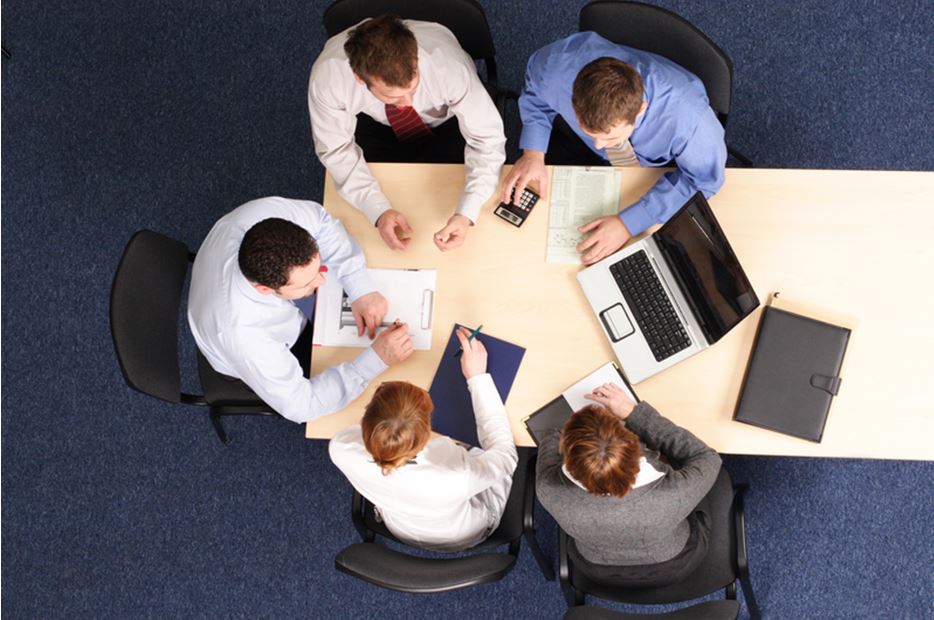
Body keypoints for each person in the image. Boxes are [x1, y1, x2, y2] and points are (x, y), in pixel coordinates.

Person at [502, 32, 727, 265]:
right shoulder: (556, 69)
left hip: (656, 165)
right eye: (591, 133)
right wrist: (533, 153)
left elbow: (704, 180)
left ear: (641, 109)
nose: (598, 145)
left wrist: (629, 223)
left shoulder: (689, 120)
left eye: (610, 137)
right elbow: (535, 93)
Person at [188, 196, 414, 424]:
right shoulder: (246, 337)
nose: (322, 281)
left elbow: (323, 224)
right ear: (265, 289)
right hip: (243, 356)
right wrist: (376, 359)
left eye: (317, 268)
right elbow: (302, 405)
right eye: (307, 283)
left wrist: (359, 286)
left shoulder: (263, 217)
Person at [308, 15, 506, 253]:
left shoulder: (449, 69)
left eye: (413, 88)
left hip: (446, 121)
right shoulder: (328, 80)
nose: (408, 103)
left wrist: (466, 212)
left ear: (416, 59)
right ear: (359, 78)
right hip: (375, 123)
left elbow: (487, 140)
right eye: (393, 96)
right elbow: (337, 151)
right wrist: (378, 211)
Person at [329, 327, 517, 551]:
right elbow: (506, 456)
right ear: (426, 434)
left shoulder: (340, 448)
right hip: (462, 534)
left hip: (399, 526)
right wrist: (478, 379)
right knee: (485, 448)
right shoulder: (457, 476)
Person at [536, 382, 721, 586]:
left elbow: (550, 436)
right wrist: (633, 414)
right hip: (672, 565)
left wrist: (577, 429)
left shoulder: (548, 487)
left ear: (567, 454)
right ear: (637, 446)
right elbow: (707, 458)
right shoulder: (672, 493)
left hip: (597, 568)